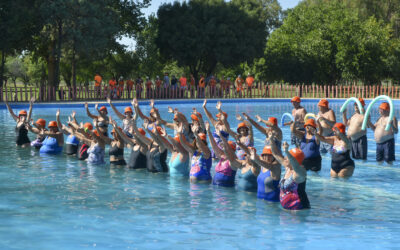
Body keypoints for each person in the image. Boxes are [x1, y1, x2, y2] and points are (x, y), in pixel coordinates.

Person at [271, 141, 310, 210]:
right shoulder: (288, 168)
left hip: (299, 210)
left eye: (288, 156)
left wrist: (286, 151)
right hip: (287, 210)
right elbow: (275, 154)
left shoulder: (300, 172)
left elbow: (296, 166)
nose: (285, 157)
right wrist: (271, 140)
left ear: (294, 160)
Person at [206, 123, 238, 187]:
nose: (224, 149)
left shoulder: (234, 159)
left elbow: (230, 153)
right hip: (216, 187)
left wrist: (221, 136)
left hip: (227, 190)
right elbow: (214, 146)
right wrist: (208, 132)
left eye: (226, 147)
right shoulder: (222, 157)